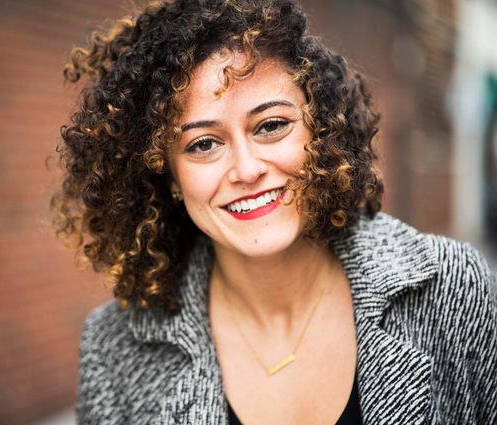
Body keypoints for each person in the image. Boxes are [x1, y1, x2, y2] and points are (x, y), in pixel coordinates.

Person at [51, 0, 497, 423]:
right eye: (203, 144)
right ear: (166, 174)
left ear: (320, 130)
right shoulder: (114, 348)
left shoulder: (451, 285)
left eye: (271, 126)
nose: (246, 169)